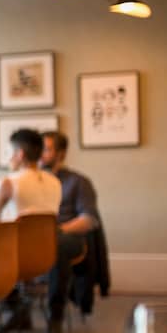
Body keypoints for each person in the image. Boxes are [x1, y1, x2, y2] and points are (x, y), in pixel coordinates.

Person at [0, 128, 62, 333]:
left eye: (9, 151)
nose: (8, 157)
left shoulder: (9, 183)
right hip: (45, 259)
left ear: (20, 154)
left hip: (13, 259)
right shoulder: (55, 182)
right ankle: (19, 313)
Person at [40, 131, 109, 322]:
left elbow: (89, 219)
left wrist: (59, 229)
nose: (40, 154)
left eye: (46, 149)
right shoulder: (32, 183)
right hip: (36, 237)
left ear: (61, 153)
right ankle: (15, 310)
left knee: (56, 245)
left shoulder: (78, 182)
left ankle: (56, 316)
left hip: (68, 237)